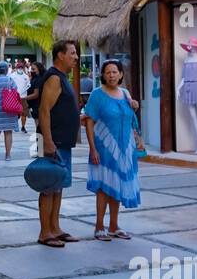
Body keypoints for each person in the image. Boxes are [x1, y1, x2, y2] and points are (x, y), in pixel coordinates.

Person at [85, 60, 142, 241]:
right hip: (104, 148)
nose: (111, 75)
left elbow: (130, 120)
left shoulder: (125, 93)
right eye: (107, 72)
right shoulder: (97, 94)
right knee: (103, 187)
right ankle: (99, 226)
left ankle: (114, 226)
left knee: (117, 184)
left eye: (114, 72)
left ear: (121, 74)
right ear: (102, 75)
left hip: (125, 149)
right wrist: (92, 148)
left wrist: (134, 106)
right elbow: (89, 121)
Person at [35, 41, 80, 247]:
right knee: (48, 187)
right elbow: (44, 111)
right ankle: (45, 232)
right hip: (51, 141)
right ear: (60, 55)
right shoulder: (53, 78)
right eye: (72, 53)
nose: (76, 57)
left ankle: (55, 227)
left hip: (61, 141)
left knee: (58, 185)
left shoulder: (62, 77)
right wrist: (49, 142)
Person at [11, 61, 32, 133]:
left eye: (21, 67)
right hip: (14, 97)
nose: (20, 68)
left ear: (23, 68)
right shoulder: (12, 75)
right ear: (16, 68)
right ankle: (14, 125)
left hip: (23, 97)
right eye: (19, 67)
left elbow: (28, 85)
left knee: (24, 113)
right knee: (15, 114)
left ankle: (23, 127)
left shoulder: (26, 76)